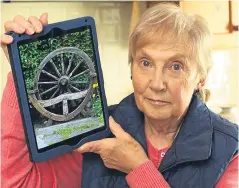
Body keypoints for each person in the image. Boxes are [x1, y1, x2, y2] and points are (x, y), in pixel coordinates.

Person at [1, 3, 238, 188]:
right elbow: (16, 182)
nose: (156, 84)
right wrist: (23, 73)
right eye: (145, 63)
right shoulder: (96, 132)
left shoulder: (231, 151)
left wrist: (138, 169)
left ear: (201, 77)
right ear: (131, 68)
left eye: (175, 67)